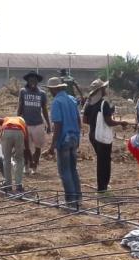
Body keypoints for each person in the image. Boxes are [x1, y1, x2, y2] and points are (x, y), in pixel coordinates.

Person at [82, 79, 128, 195]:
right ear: (101, 90)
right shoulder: (104, 104)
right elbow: (109, 122)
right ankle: (102, 188)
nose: (106, 90)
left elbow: (85, 120)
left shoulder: (89, 103)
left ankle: (102, 186)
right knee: (105, 162)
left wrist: (96, 122)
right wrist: (121, 123)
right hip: (102, 137)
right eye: (104, 88)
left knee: (101, 160)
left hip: (92, 135)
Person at [45, 77, 82, 209]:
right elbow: (78, 120)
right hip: (74, 138)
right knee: (73, 169)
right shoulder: (71, 100)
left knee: (64, 170)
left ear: (54, 89)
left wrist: (52, 146)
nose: (50, 92)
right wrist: (78, 137)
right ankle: (78, 198)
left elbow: (58, 125)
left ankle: (70, 201)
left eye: (50, 89)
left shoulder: (57, 102)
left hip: (64, 139)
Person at [17, 71, 49, 175]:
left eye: (35, 80)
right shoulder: (23, 91)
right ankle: (26, 165)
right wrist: (17, 121)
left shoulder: (42, 93)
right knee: (26, 148)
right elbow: (20, 107)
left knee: (38, 147)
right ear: (28, 81)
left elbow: (44, 109)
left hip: (38, 124)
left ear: (37, 81)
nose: (33, 82)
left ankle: (34, 165)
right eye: (31, 80)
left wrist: (48, 124)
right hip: (26, 124)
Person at [0, 116, 29, 194]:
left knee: (6, 159)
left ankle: (8, 185)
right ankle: (18, 185)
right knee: (19, 159)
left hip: (7, 131)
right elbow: (26, 138)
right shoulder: (22, 121)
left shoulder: (6, 119)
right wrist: (27, 151)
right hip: (19, 132)